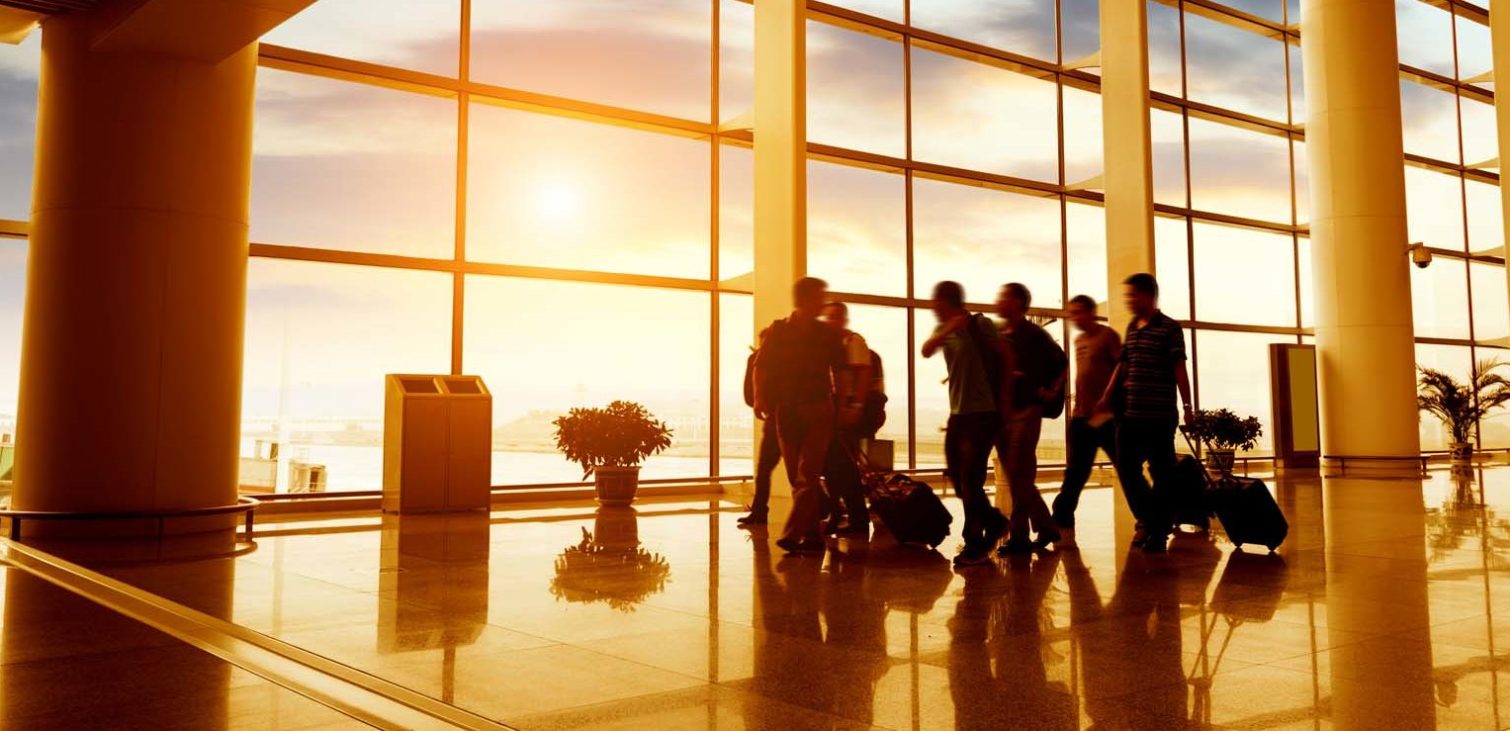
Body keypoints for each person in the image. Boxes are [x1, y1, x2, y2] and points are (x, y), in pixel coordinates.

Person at [1096, 273, 1194, 554]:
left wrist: (1188, 407)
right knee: (1127, 468)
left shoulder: (1170, 328)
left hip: (1160, 415)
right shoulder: (1133, 327)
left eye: (1133, 295)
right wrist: (1107, 393)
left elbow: (1179, 370)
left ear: (1149, 296)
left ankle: (1156, 531)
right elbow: (1124, 364)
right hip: (1130, 414)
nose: (1128, 301)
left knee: (1162, 474)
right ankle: (1155, 521)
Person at [753, 277, 849, 554]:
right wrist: (760, 396)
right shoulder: (779, 331)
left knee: (807, 474)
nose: (824, 301)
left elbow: (840, 372)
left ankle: (792, 534)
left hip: (818, 408)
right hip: (787, 409)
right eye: (820, 296)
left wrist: (841, 406)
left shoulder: (826, 335)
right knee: (798, 476)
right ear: (805, 299)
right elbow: (762, 366)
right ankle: (815, 536)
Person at [921, 281, 1009, 566]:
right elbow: (925, 349)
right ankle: (994, 522)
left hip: (984, 412)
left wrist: (1005, 404)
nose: (933, 307)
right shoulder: (944, 329)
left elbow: (1006, 358)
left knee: (971, 479)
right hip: (958, 413)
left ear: (948, 301)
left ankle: (975, 541)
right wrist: (948, 328)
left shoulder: (980, 325)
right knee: (959, 480)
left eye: (936, 302)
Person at [993, 283, 1066, 554]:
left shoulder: (1034, 334)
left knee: (1019, 474)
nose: (999, 301)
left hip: (1026, 411)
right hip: (1004, 412)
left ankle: (1020, 536)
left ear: (1017, 303)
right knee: (1017, 476)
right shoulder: (1001, 334)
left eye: (1004, 297)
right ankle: (1045, 527)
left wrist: (1051, 390)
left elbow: (1061, 361)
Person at [1050, 294, 1121, 546]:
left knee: (1126, 469)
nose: (1075, 318)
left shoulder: (1108, 336)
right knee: (1076, 472)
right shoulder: (1079, 340)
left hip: (1107, 418)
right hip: (1082, 417)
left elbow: (1121, 370)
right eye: (1071, 313)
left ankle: (1150, 519)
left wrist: (1108, 400)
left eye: (1079, 312)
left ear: (1091, 312)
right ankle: (1061, 516)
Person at [819, 302, 875, 534]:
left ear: (843, 319)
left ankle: (857, 516)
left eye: (835, 317)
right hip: (834, 407)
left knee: (844, 465)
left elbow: (863, 375)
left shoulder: (853, 342)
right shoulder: (831, 344)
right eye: (828, 317)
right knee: (832, 465)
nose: (830, 321)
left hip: (848, 406)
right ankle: (838, 512)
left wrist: (856, 407)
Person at [739, 328, 780, 528]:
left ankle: (759, 511)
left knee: (764, 469)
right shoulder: (782, 361)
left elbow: (750, 393)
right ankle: (825, 507)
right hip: (782, 418)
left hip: (776, 419)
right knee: (798, 471)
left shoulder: (758, 360)